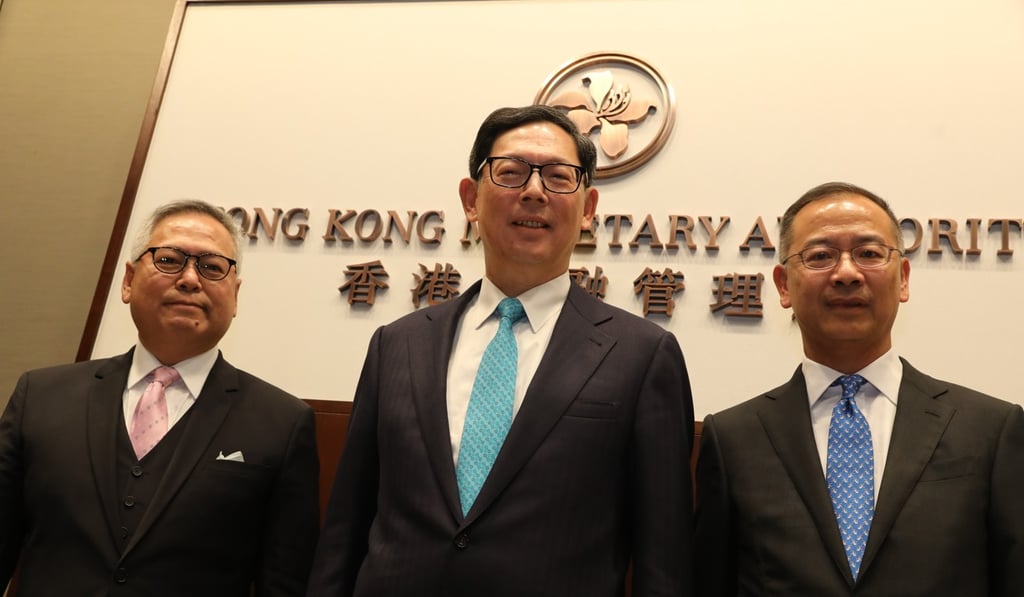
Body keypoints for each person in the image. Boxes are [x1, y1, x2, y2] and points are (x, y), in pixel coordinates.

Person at [306, 105, 695, 597]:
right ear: (471, 199)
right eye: (511, 173)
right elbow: (345, 524)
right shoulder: (398, 344)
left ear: (589, 208)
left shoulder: (642, 355)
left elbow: (665, 558)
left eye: (559, 177)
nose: (534, 192)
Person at [694, 182, 1024, 596]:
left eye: (868, 253)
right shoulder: (732, 438)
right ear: (783, 286)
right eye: (820, 256)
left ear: (903, 278)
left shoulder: (990, 430)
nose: (846, 273)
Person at [0, 200, 320, 596]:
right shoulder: (42, 398)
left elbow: (285, 582)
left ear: (235, 295)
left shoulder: (283, 424)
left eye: (212, 267)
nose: (189, 279)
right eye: (169, 260)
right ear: (129, 280)